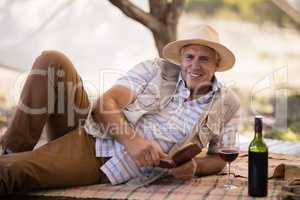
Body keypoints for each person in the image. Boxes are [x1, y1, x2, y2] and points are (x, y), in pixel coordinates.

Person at [0, 25, 240, 196]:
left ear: (217, 63)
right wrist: (133, 140)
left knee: (11, 172)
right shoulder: (156, 70)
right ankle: (11, 149)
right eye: (189, 57)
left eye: (204, 59)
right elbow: (105, 104)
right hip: (98, 134)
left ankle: (11, 160)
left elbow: (218, 158)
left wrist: (196, 167)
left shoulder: (226, 103)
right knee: (51, 61)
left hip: (102, 159)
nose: (194, 66)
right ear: (181, 57)